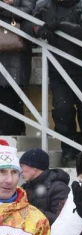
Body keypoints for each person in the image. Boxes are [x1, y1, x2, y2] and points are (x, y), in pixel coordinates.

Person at [24, 0, 82, 165]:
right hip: (57, 70)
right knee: (62, 112)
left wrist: (60, 26)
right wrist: (39, 30)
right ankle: (69, 150)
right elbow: (27, 25)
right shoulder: (43, 5)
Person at [0, 0, 33, 136]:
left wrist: (6, 6)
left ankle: (13, 134)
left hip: (16, 54)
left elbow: (29, 11)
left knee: (12, 97)